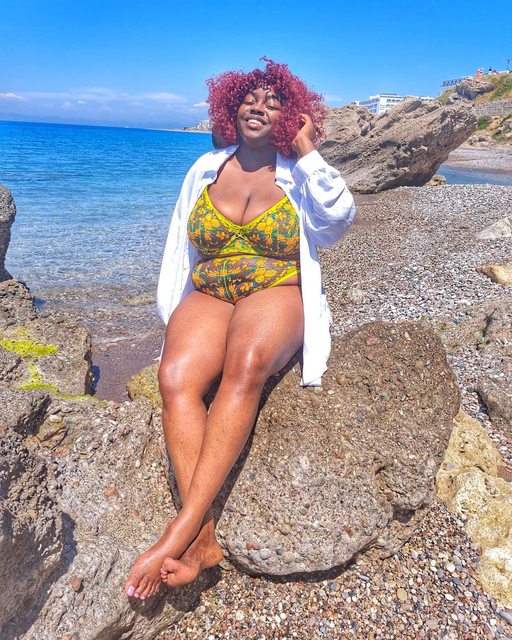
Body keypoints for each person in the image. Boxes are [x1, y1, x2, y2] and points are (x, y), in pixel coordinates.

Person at [125, 58, 356, 600]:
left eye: (274, 102)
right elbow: (180, 245)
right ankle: (204, 541)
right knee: (176, 379)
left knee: (244, 366)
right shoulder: (205, 169)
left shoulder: (297, 172)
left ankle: (180, 529)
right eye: (250, 99)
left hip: (276, 288)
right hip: (210, 291)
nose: (259, 107)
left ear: (290, 116)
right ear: (231, 107)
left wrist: (306, 150)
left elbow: (338, 221)